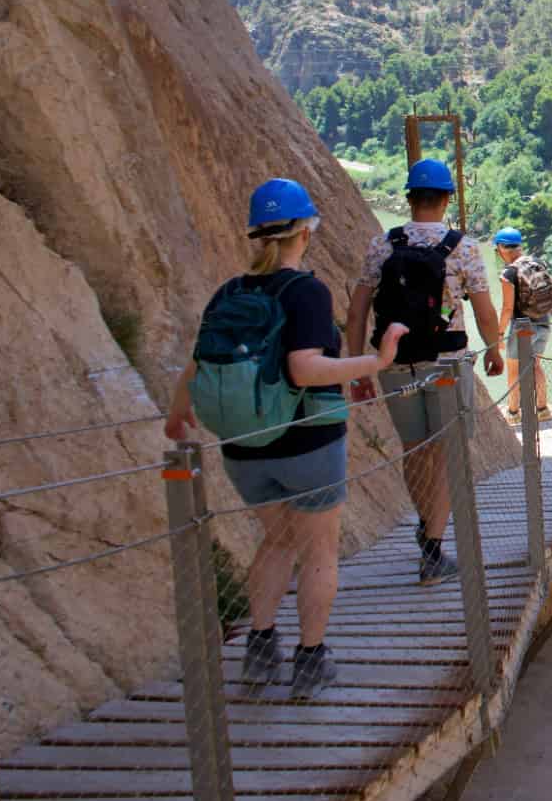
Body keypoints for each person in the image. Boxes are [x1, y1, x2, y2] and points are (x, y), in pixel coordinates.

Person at [165, 178, 408, 699]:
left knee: (276, 541)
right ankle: (310, 659)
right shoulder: (306, 291)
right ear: (305, 229)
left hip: (244, 448)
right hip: (306, 442)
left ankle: (259, 648)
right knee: (319, 549)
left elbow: (198, 364)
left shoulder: (230, 292)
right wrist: (376, 362)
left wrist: (176, 413)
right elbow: (304, 369)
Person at [344, 159, 502, 586]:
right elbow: (485, 312)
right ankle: (433, 547)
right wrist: (495, 350)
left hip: (395, 363)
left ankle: (426, 528)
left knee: (414, 449)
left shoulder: (382, 245)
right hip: (447, 363)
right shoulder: (463, 248)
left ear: (410, 198)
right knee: (448, 452)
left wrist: (359, 367)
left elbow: (356, 311)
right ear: (447, 198)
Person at [493, 227, 552, 422]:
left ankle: (513, 413)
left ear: (503, 248)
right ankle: (543, 409)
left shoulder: (509, 272)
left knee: (513, 369)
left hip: (522, 328)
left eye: (497, 249)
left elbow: (507, 308)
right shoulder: (538, 263)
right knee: (535, 365)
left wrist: (499, 333)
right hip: (544, 322)